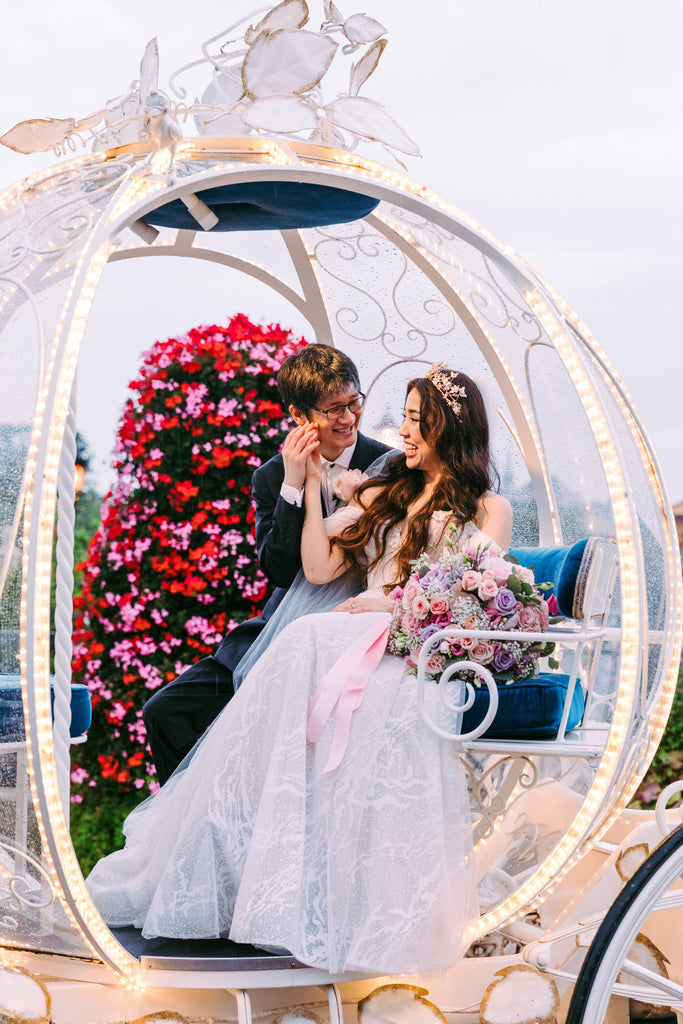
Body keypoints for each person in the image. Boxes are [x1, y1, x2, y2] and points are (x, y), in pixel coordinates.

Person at [87, 365, 512, 976]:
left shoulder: (485, 506)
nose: (403, 431)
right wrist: (310, 488)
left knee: (314, 642)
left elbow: (472, 593)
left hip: (410, 645)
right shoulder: (385, 492)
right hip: (342, 631)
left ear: (447, 426)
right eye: (406, 420)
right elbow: (312, 568)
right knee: (301, 644)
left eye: (415, 421)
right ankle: (250, 870)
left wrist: (393, 604)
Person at [142, 344, 392, 784]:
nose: (348, 418)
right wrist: (294, 486)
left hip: (353, 625)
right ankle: (192, 828)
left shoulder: (389, 465)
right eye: (333, 408)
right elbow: (277, 571)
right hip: (278, 628)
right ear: (299, 414)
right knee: (166, 710)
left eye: (354, 403)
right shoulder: (272, 476)